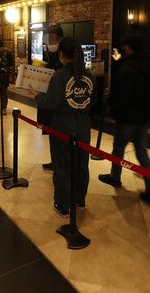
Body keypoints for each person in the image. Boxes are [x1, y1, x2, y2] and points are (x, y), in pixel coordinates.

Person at [29, 37, 95, 217]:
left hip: (63, 127)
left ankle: (63, 205)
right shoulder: (89, 75)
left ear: (62, 54)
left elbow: (51, 104)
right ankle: (80, 200)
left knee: (62, 167)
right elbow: (93, 102)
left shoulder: (59, 76)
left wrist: (36, 95)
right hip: (83, 125)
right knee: (82, 165)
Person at [98, 32, 150, 205]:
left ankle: (115, 176)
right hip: (144, 117)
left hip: (128, 117)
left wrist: (111, 107)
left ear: (129, 47)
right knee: (142, 151)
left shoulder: (129, 67)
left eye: (125, 46)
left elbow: (120, 94)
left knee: (119, 147)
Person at [39, 25, 64, 170]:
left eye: (51, 39)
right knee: (52, 132)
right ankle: (55, 161)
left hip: (58, 99)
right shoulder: (52, 52)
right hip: (51, 95)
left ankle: (59, 162)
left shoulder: (64, 53)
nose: (49, 42)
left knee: (58, 134)